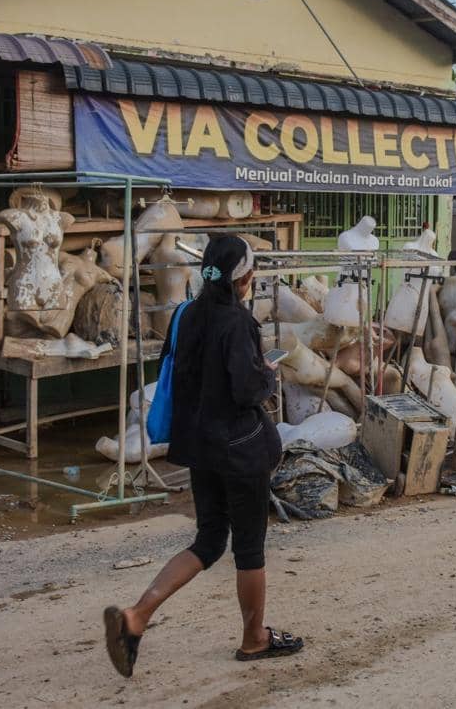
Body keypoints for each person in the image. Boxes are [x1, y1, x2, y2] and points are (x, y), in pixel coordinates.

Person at [104, 235, 303, 677]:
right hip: (239, 449)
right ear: (243, 277)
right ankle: (255, 639)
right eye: (251, 271)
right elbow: (245, 390)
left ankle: (137, 616)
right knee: (249, 548)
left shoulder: (186, 314)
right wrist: (267, 375)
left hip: (200, 447)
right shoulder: (238, 323)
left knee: (210, 540)